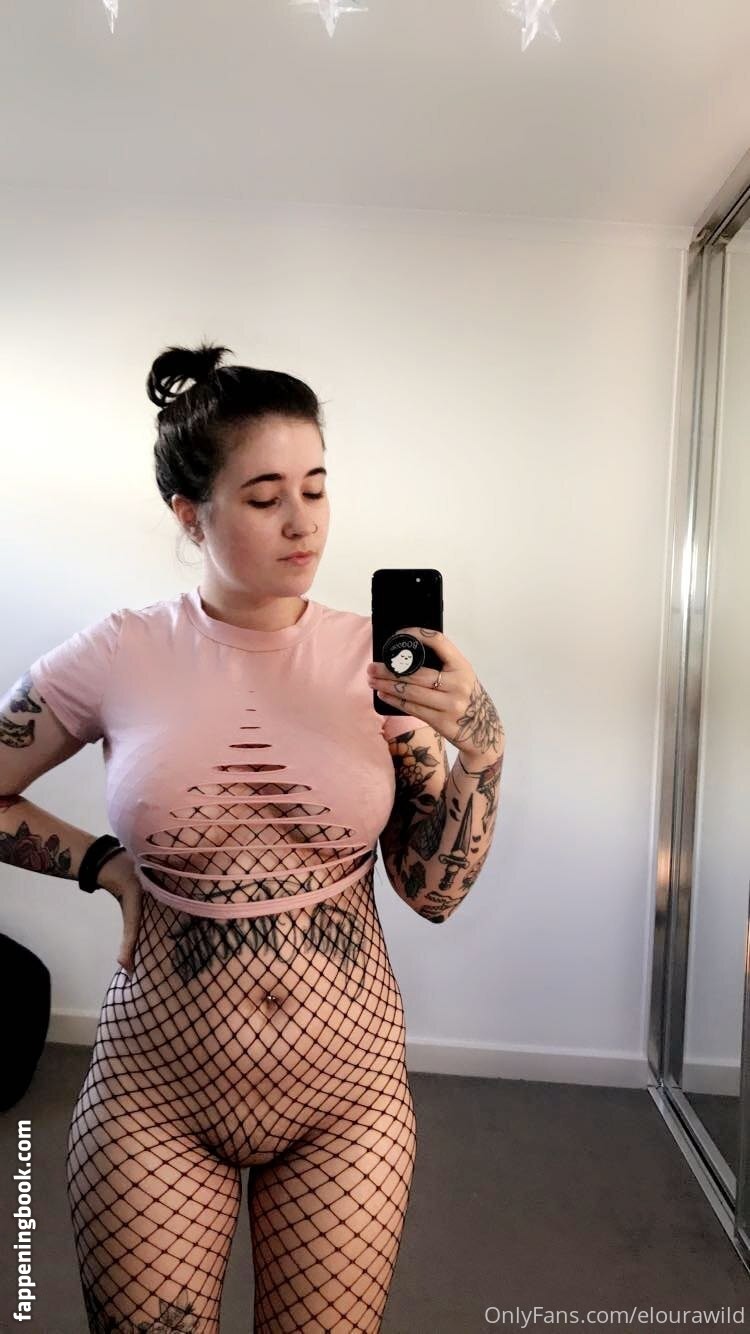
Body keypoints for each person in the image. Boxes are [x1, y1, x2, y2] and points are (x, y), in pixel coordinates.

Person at [1, 341, 504, 1332]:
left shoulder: (378, 661)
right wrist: (105, 865)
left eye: (316, 486)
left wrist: (479, 747)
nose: (303, 520)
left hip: (348, 1099)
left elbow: (433, 893)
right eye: (265, 495)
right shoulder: (121, 649)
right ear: (190, 515)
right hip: (155, 1091)